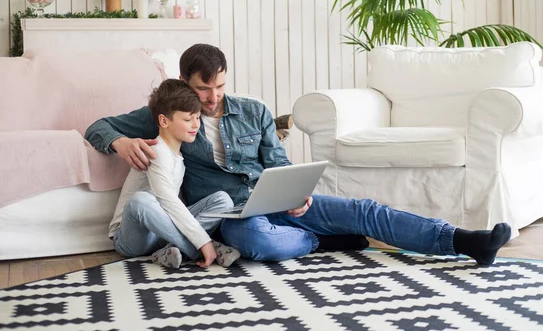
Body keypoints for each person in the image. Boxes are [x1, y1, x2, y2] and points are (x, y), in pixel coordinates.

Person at [86, 44, 512, 266]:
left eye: (219, 87)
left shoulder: (253, 109)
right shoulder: (166, 111)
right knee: (257, 241)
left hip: (276, 200)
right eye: (202, 89)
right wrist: (120, 143)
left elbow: (279, 162)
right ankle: (321, 242)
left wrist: (296, 190)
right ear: (184, 83)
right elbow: (97, 127)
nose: (212, 98)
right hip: (234, 218)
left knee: (362, 210)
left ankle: (463, 241)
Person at [108, 78, 240, 269]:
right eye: (188, 119)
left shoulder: (179, 155)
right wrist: (203, 241)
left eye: (197, 117)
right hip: (131, 237)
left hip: (163, 232)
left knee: (223, 200)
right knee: (140, 200)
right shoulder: (157, 151)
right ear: (164, 120)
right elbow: (167, 200)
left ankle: (169, 251)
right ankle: (195, 249)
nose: (195, 125)